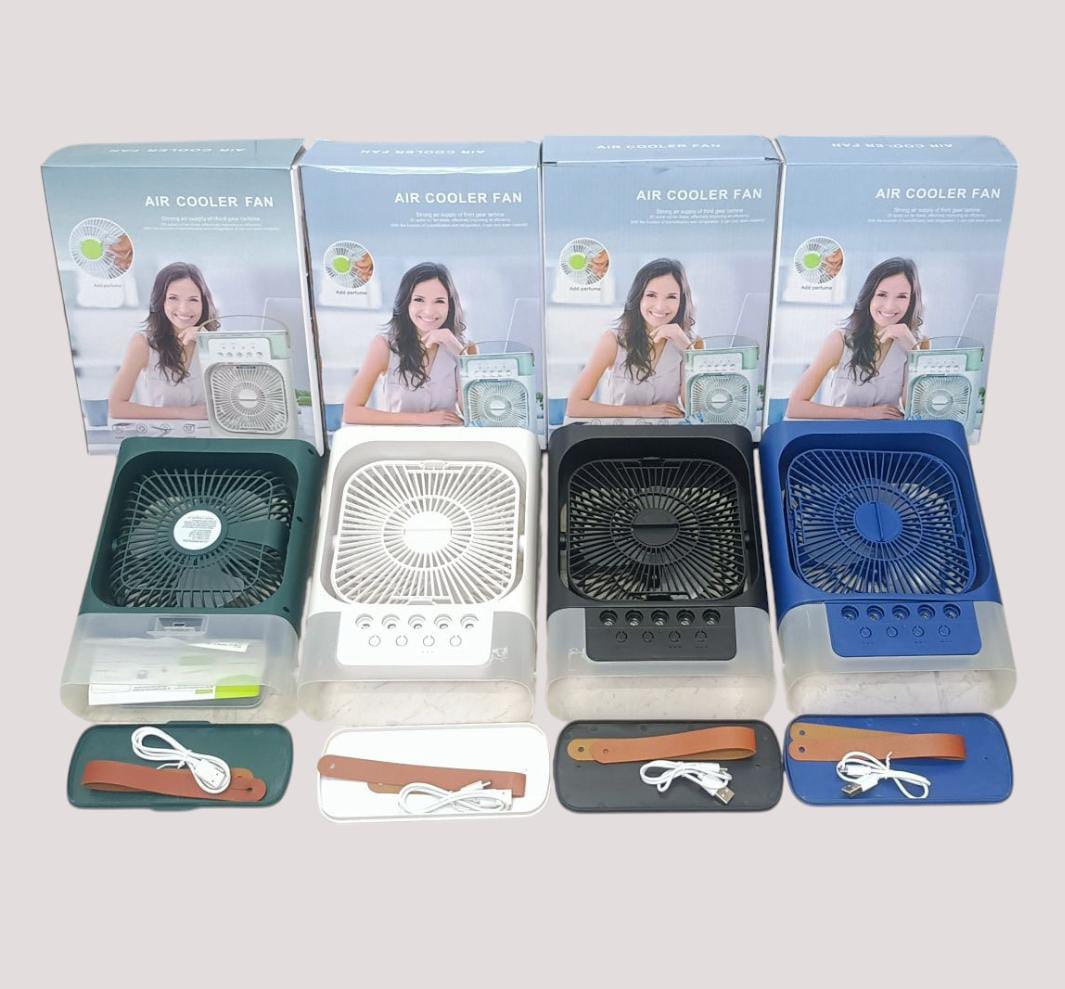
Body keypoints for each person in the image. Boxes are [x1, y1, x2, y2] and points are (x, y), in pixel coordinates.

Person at [786, 257, 929, 420]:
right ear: (869, 296)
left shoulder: (919, 344)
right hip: (844, 434)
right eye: (882, 294)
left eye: (902, 296)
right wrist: (865, 414)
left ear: (911, 301)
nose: (890, 306)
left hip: (891, 435)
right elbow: (795, 407)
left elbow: (918, 412)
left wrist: (913, 350)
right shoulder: (840, 340)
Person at [566, 257, 700, 419]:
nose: (660, 306)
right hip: (623, 433)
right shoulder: (613, 340)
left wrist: (687, 349)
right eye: (651, 295)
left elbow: (699, 412)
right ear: (639, 298)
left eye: (671, 297)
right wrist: (643, 412)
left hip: (671, 433)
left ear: (681, 301)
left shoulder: (692, 343)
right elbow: (575, 406)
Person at [343, 262, 470, 426]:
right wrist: (422, 419)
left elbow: (479, 415)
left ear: (450, 306)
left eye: (439, 301)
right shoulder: (385, 346)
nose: (429, 310)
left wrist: (459, 352)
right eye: (419, 300)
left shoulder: (465, 349)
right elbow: (351, 412)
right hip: (401, 441)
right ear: (406, 302)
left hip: (450, 440)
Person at [109, 261, 215, 420]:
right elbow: (116, 407)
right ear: (161, 301)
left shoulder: (216, 342)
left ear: (203, 303)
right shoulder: (143, 343)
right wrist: (182, 413)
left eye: (193, 300)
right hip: (163, 433)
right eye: (173, 298)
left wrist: (209, 341)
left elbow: (241, 400)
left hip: (210, 435)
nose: (184, 308)